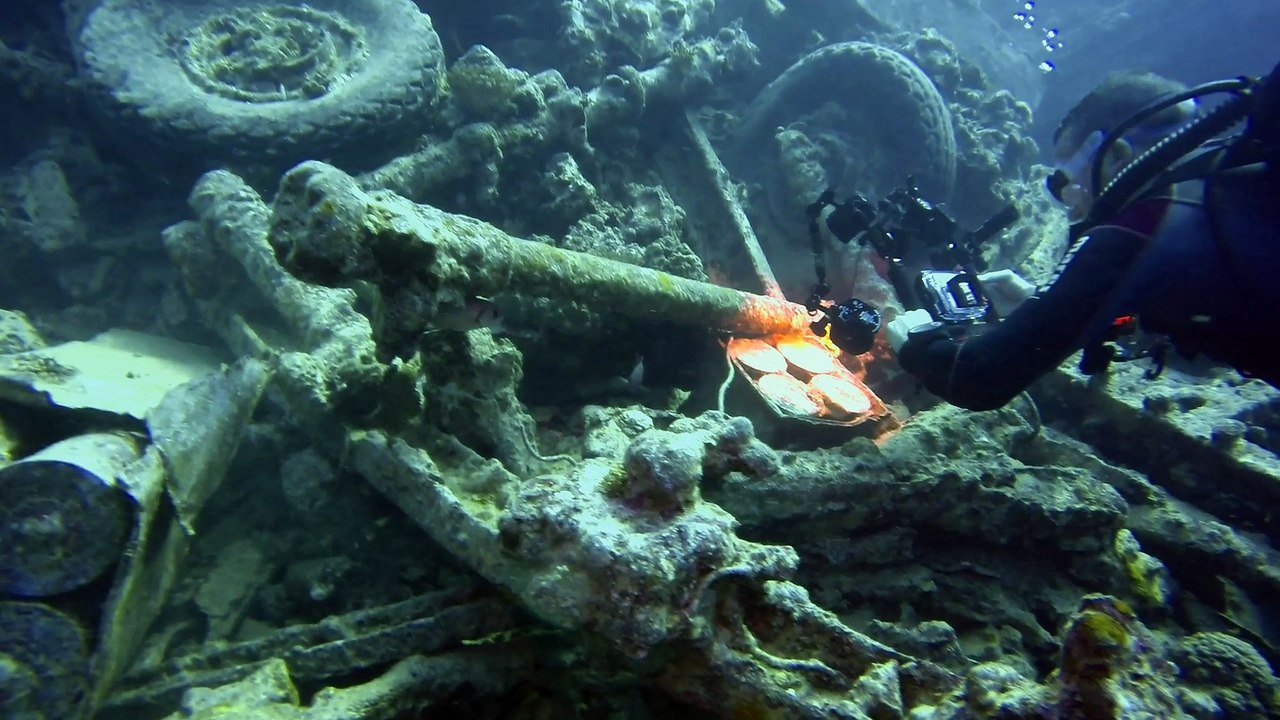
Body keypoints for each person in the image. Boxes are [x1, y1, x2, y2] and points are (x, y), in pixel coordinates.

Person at [885, 69, 1280, 410]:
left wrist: (915, 342)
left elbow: (975, 379)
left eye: (1066, 182)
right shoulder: (1216, 183)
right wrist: (1051, 306)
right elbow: (1187, 311)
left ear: (1116, 155)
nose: (1069, 204)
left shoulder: (1139, 225)